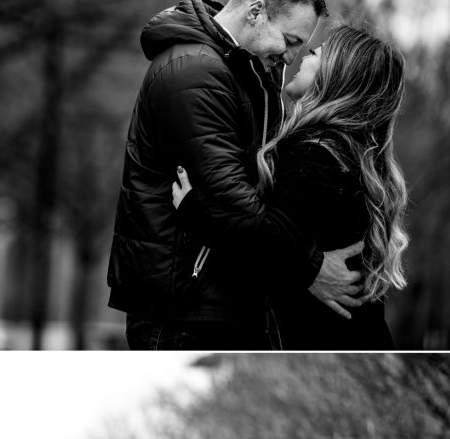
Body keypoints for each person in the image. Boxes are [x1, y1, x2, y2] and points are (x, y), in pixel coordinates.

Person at [107, 0, 365, 351]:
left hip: (219, 300)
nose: (292, 57)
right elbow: (230, 199)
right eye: (291, 41)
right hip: (182, 309)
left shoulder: (246, 73)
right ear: (256, 12)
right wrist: (310, 268)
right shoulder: (194, 72)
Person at [174, 24, 408, 348]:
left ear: (336, 74)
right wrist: (312, 271)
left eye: (316, 53)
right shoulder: (351, 157)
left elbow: (272, 239)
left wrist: (195, 212)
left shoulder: (317, 151)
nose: (304, 55)